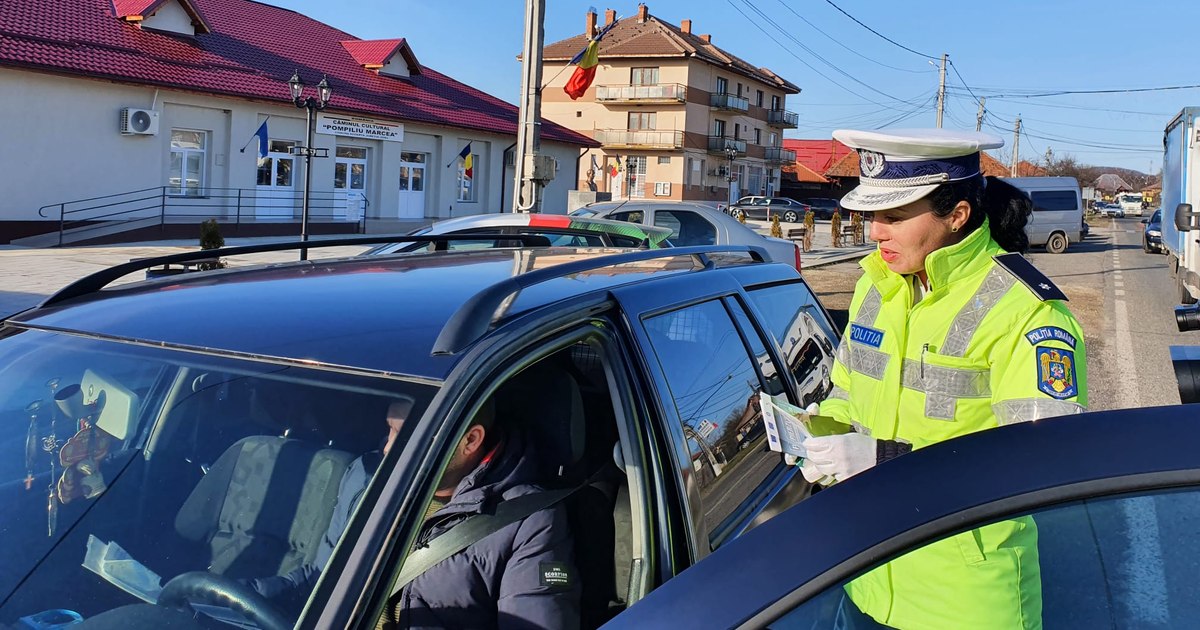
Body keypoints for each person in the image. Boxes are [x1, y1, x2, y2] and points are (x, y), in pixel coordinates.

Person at [799, 128, 1087, 629]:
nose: (874, 232)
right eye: (871, 216)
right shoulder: (875, 286)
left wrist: (887, 460)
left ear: (957, 215)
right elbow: (848, 391)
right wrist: (822, 432)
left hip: (965, 602)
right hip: (865, 577)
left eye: (893, 217)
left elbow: (1044, 463)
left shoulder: (1027, 311)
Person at [252, 398, 581, 629]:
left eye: (405, 435)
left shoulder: (527, 520)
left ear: (470, 440)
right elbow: (323, 576)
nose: (387, 448)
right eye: (389, 430)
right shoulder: (365, 479)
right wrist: (248, 597)